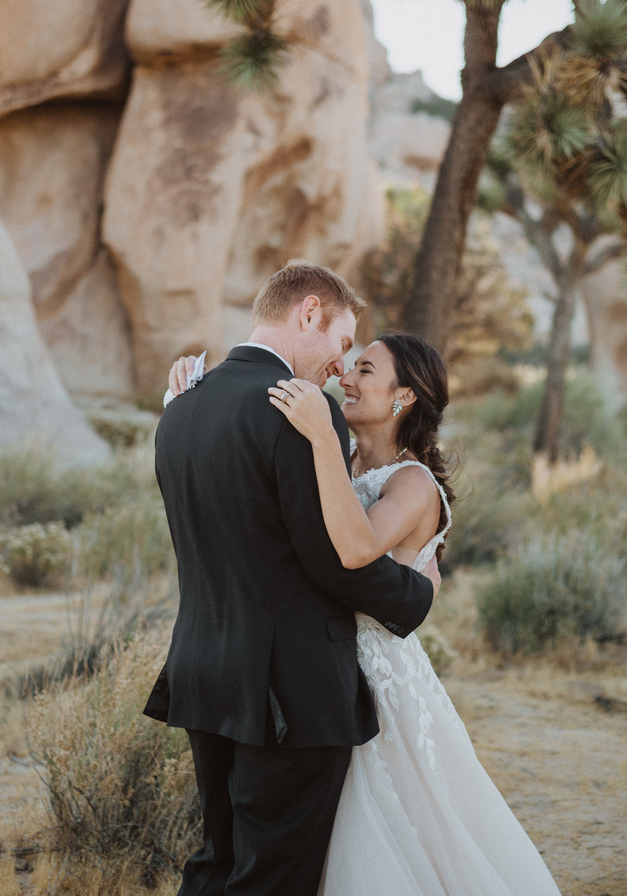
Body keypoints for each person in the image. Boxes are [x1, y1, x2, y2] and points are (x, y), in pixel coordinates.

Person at [143, 262, 435, 896]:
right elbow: (330, 558)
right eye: (340, 343)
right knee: (272, 878)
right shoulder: (301, 411)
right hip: (289, 690)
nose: (339, 364)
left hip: (203, 668)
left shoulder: (181, 405)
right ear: (308, 313)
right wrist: (415, 595)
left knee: (217, 864)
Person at [263, 330, 564, 896]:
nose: (346, 378)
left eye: (366, 371)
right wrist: (191, 386)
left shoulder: (413, 483)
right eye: (349, 367)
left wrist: (324, 445)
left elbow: (356, 549)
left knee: (392, 825)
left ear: (403, 398)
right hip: (319, 666)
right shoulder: (341, 459)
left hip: (381, 683)